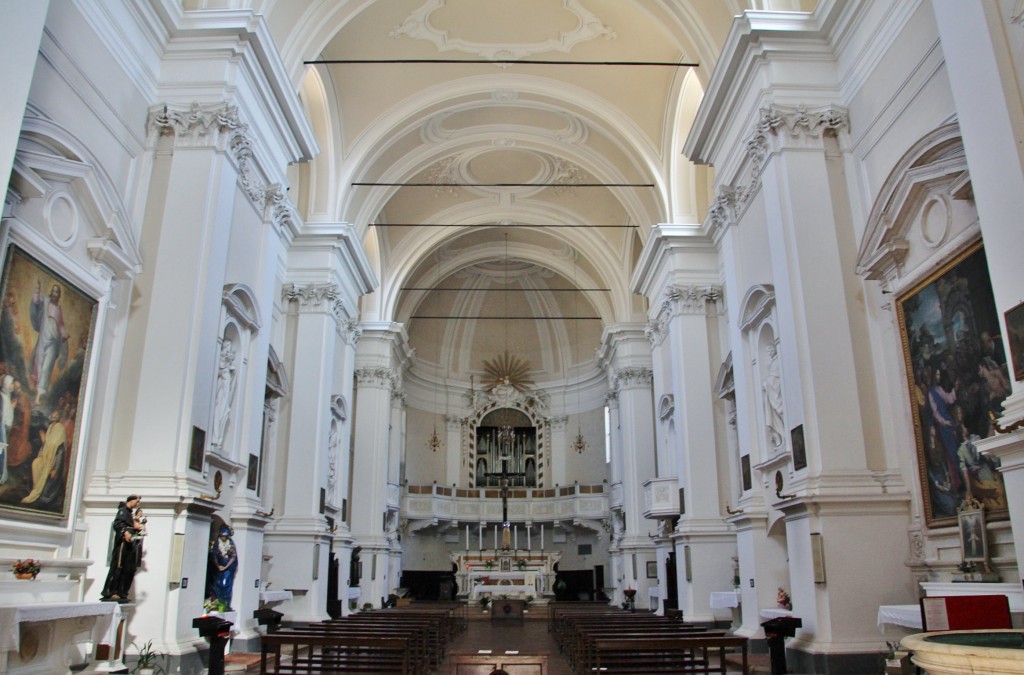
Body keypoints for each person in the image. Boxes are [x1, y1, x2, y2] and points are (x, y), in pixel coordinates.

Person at [29, 281, 69, 405]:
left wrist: (64, 334)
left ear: (59, 295)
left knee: (47, 366)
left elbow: (61, 325)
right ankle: (36, 389)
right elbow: (36, 301)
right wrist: (37, 289)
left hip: (54, 340)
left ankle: (39, 395)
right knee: (39, 363)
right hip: (43, 338)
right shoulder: (45, 301)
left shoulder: (59, 309)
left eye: (57, 292)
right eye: (53, 291)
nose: (54, 293)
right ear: (51, 292)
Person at [100, 495, 143, 602]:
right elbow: (117, 524)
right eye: (137, 501)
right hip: (123, 544)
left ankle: (121, 592)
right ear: (131, 500)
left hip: (129, 544)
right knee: (119, 566)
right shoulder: (122, 511)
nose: (138, 504)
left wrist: (138, 529)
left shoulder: (129, 513)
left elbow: (131, 526)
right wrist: (125, 532)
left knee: (128, 568)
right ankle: (112, 591)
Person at [210, 526, 238, 609]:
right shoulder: (217, 543)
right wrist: (218, 566)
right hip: (218, 569)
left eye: (225, 536)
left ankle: (225, 604)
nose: (223, 538)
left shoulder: (230, 543)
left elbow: (233, 557)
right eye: (222, 536)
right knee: (217, 585)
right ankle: (217, 603)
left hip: (227, 568)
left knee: (226, 585)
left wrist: (226, 567)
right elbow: (214, 556)